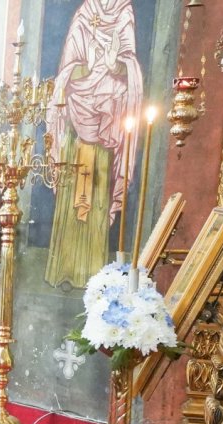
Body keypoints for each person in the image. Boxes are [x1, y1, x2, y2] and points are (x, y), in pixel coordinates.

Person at [44, 0, 142, 288]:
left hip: (107, 120)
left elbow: (130, 66)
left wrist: (116, 65)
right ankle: (64, 268)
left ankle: (94, 275)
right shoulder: (85, 12)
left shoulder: (124, 11)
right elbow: (68, 67)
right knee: (72, 195)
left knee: (97, 194)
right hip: (77, 120)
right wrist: (83, 71)